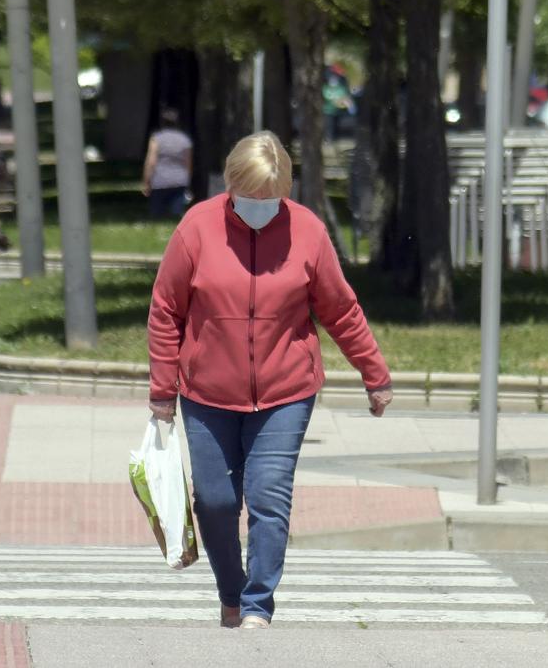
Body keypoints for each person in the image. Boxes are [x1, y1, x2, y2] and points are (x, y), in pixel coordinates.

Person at [147, 131, 394, 629]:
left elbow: (340, 310)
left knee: (268, 496)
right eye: (250, 196)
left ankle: (258, 606)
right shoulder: (197, 227)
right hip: (208, 393)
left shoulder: (307, 231)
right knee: (214, 501)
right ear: (231, 184)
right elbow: (166, 310)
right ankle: (231, 593)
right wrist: (162, 392)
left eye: (270, 197)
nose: (260, 206)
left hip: (286, 392)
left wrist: (374, 373)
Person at [141, 108, 193, 218]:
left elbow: (151, 161)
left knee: (157, 216)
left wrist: (146, 182)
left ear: (162, 122)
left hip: (160, 181)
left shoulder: (156, 139)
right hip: (179, 181)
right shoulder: (185, 140)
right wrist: (187, 181)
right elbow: (188, 163)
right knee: (176, 217)